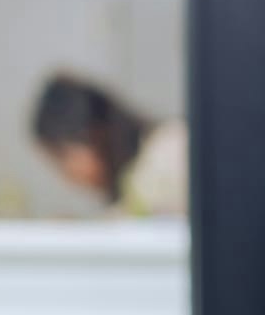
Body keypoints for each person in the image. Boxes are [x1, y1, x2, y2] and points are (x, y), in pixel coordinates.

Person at [30, 73, 188, 216]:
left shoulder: (169, 150)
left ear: (92, 133)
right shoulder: (131, 189)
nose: (68, 176)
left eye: (62, 158)